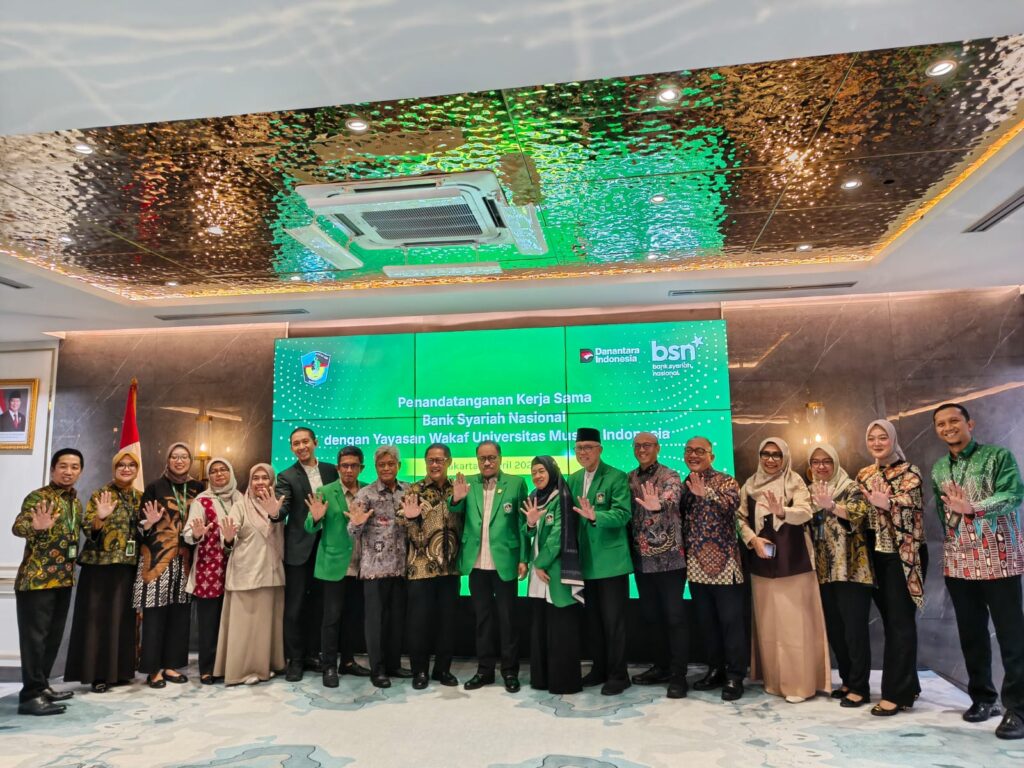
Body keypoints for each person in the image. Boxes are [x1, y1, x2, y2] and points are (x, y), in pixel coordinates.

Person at [931, 403, 1024, 740]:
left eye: (954, 420)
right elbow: (943, 513)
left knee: (1012, 637)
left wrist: (974, 507)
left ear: (969, 423)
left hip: (999, 557)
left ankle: (1018, 709)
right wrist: (957, 525)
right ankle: (984, 699)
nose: (947, 427)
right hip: (960, 562)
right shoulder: (940, 468)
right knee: (972, 635)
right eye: (940, 423)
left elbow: (1014, 494)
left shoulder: (998, 457)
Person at [738, 437, 830, 703]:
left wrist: (782, 512)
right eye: (765, 454)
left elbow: (805, 511)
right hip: (762, 562)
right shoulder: (750, 485)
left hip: (794, 561)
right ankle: (775, 682)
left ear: (785, 457)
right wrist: (752, 539)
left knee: (795, 626)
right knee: (770, 626)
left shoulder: (794, 481)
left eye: (776, 454)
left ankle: (799, 686)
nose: (770, 459)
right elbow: (740, 518)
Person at [856, 419, 925, 716]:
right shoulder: (864, 474)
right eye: (871, 437)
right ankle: (909, 685)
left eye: (882, 437)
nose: (877, 442)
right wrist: (832, 507)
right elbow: (858, 510)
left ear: (893, 439)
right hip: (875, 555)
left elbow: (913, 505)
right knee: (892, 622)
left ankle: (896, 694)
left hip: (903, 555)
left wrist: (888, 503)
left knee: (900, 623)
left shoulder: (910, 472)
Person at [451, 440, 528, 693]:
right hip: (476, 563)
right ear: (477, 460)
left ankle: (510, 671)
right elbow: (455, 513)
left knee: (508, 619)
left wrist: (524, 558)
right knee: (482, 620)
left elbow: (522, 523)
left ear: (500, 458)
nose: (487, 462)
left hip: (505, 562)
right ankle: (484, 671)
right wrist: (455, 499)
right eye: (482, 458)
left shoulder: (516, 483)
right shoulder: (467, 483)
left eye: (491, 457)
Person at [12, 448, 84, 715]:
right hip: (37, 582)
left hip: (63, 580)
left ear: (80, 471)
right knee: (35, 641)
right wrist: (36, 526)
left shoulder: (75, 502)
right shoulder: (39, 497)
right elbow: (18, 527)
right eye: (63, 466)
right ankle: (30, 696)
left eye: (74, 467)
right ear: (53, 469)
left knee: (52, 639)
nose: (68, 471)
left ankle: (41, 687)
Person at [64, 450, 142, 693]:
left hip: (127, 568)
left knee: (122, 620)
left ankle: (120, 672)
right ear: (114, 468)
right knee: (97, 621)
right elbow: (89, 529)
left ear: (137, 470)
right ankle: (97, 674)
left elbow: (143, 531)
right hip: (98, 569)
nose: (126, 469)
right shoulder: (102, 493)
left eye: (131, 465)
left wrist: (148, 526)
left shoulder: (140, 497)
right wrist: (100, 518)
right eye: (121, 465)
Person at [807, 443, 875, 708]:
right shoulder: (810, 491)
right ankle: (847, 680)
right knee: (836, 630)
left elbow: (858, 515)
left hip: (852, 571)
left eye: (827, 461)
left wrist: (832, 505)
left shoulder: (851, 487)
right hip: (824, 572)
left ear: (835, 462)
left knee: (855, 631)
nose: (821, 466)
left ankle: (860, 687)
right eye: (816, 462)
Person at [680, 436, 746, 701]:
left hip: (725, 565)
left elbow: (732, 505)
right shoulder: (684, 484)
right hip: (696, 565)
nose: (693, 455)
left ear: (711, 456)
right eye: (689, 451)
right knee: (707, 623)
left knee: (731, 623)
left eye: (700, 451)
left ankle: (735, 675)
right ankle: (716, 670)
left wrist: (706, 493)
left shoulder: (726, 481)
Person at [568, 427, 633, 696]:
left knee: (613, 622)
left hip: (611, 563)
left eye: (588, 447)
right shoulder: (573, 479)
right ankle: (599, 669)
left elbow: (623, 514)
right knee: (593, 622)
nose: (583, 452)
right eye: (579, 448)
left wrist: (596, 516)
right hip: (584, 563)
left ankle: (619, 675)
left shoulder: (616, 476)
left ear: (600, 449)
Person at [135, 442, 204, 688]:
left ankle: (171, 666)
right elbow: (139, 524)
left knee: (180, 614)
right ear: (168, 460)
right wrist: (149, 522)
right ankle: (153, 669)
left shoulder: (198, 488)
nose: (179, 461)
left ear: (190, 461)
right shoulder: (155, 487)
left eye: (184, 457)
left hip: (185, 560)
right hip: (157, 559)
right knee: (155, 614)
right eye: (174, 456)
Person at [275, 427, 340, 681]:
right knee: (295, 608)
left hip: (328, 548)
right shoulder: (286, 475)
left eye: (305, 442)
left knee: (321, 606)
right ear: (291, 448)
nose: (301, 447)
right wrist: (274, 513)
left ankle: (315, 655)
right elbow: (282, 509)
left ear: (315, 443)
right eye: (296, 444)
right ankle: (296, 659)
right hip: (299, 550)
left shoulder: (331, 470)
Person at [627, 431, 688, 698]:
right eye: (638, 446)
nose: (642, 450)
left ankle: (679, 675)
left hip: (670, 560)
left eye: (647, 445)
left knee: (674, 617)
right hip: (642, 561)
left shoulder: (670, 475)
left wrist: (657, 505)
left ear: (658, 448)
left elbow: (672, 498)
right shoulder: (629, 478)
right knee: (652, 617)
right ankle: (661, 667)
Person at [214, 463, 287, 685]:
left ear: (272, 481)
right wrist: (228, 538)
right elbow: (229, 535)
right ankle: (242, 671)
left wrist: (275, 513)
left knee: (265, 627)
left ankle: (265, 666)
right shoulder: (240, 505)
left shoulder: (278, 505)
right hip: (245, 574)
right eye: (255, 478)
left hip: (271, 573)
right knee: (243, 627)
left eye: (265, 478)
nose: (260, 482)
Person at [398, 443, 463, 689]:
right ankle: (420, 671)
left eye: (440, 460)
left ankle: (442, 670)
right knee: (419, 623)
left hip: (450, 568)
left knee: (448, 622)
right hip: (420, 567)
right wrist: (410, 518)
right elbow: (402, 523)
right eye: (431, 460)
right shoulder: (414, 490)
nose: (435, 465)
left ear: (449, 462)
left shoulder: (457, 489)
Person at [304, 446, 370, 688]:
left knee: (353, 616)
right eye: (345, 466)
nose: (349, 470)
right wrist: (316, 517)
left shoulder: (368, 491)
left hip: (362, 565)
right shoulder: (325, 491)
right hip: (334, 565)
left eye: (354, 465)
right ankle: (329, 665)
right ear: (338, 468)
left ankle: (348, 661)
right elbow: (309, 526)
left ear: (361, 468)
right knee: (331, 618)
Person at [348, 445, 411, 688]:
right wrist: (356, 523)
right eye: (381, 465)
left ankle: (393, 664)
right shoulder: (365, 494)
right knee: (375, 623)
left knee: (396, 621)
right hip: (374, 569)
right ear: (375, 467)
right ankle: (378, 669)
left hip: (401, 568)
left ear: (398, 466)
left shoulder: (408, 491)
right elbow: (353, 531)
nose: (386, 468)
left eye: (390, 464)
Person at [523, 455, 584, 695]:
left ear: (552, 471)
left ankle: (564, 682)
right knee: (540, 627)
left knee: (561, 628)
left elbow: (559, 534)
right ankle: (541, 679)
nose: (537, 476)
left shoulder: (562, 498)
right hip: (538, 576)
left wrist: (540, 563)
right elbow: (527, 532)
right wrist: (530, 524)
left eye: (541, 471)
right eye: (533, 472)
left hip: (557, 572)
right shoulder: (533, 498)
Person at [184, 457, 241, 684]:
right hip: (209, 569)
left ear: (231, 472)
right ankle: (207, 668)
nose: (219, 474)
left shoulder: (240, 498)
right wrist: (197, 534)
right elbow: (189, 533)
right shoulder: (202, 500)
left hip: (237, 566)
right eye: (214, 471)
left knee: (232, 621)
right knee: (209, 622)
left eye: (223, 469)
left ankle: (228, 666)